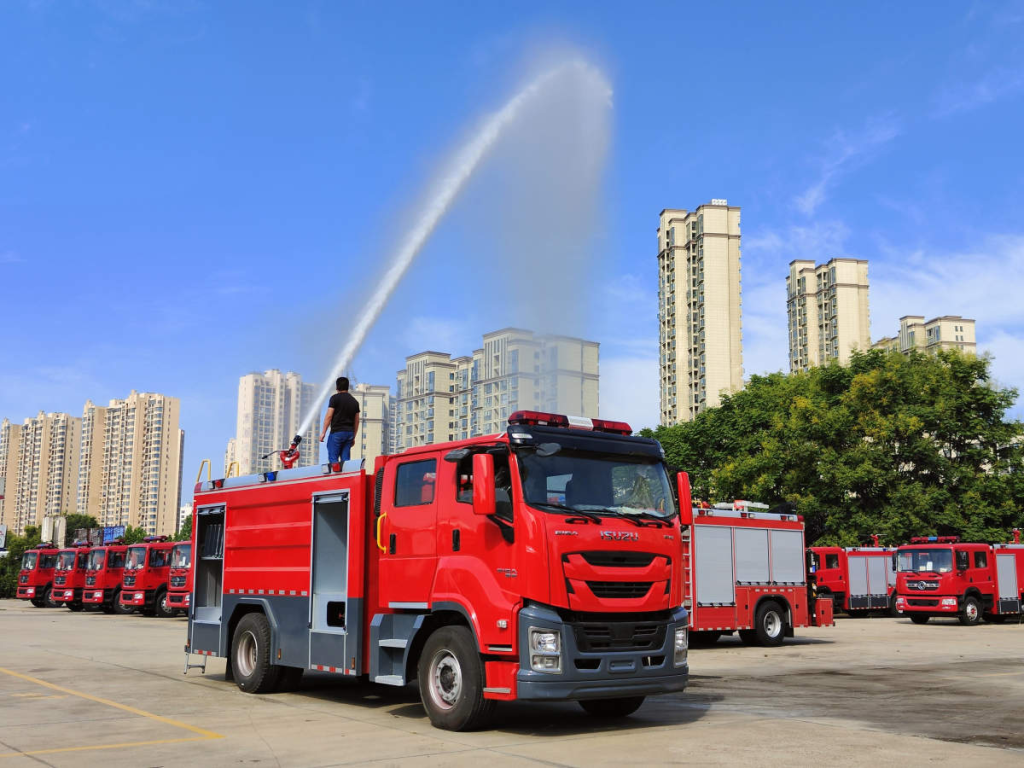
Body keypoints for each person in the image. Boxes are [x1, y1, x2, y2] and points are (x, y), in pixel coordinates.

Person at [320, 376, 360, 465]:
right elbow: (357, 421)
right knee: (345, 460)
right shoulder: (355, 402)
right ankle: (346, 473)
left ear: (337, 387)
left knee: (333, 458)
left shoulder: (334, 398)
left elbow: (329, 416)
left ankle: (335, 471)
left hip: (337, 433)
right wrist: (353, 436)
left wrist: (323, 433)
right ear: (347, 387)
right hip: (349, 434)